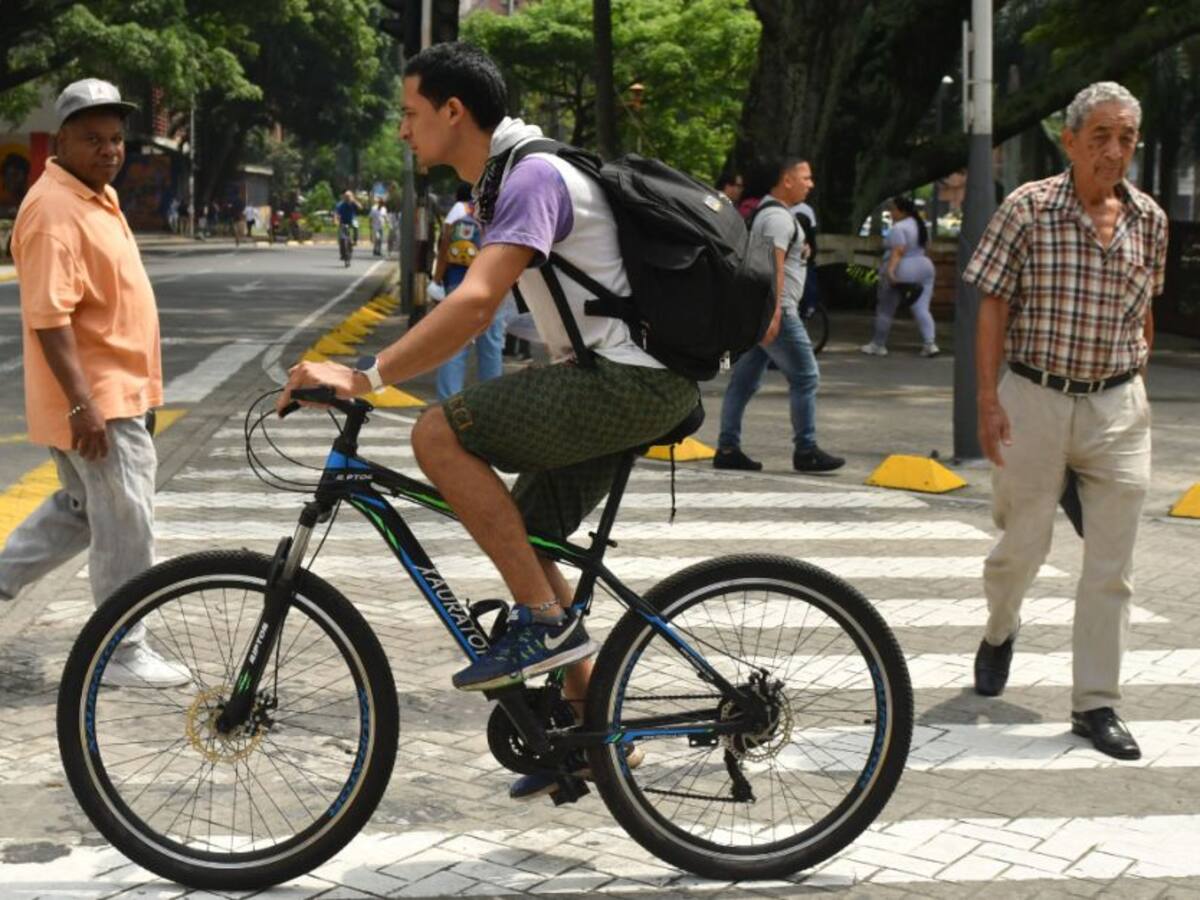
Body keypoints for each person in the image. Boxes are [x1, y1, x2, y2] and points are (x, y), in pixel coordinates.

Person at [280, 42, 699, 798]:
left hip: (629, 384)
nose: (403, 131)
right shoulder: (506, 180)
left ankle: (543, 623)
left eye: (411, 114)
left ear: (453, 111)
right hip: (617, 378)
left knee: (436, 433)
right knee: (529, 538)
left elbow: (475, 305)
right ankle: (592, 736)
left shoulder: (533, 174)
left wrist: (363, 374)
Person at [964, 82, 1166, 761]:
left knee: (1112, 566)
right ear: (1071, 140)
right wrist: (988, 400)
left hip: (1116, 406)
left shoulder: (1150, 220)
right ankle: (1000, 629)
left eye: (1127, 139)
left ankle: (1096, 704)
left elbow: (1145, 311)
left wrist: (1137, 383)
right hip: (1035, 397)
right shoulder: (1028, 209)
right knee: (1024, 545)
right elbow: (991, 304)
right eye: (1101, 137)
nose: (1114, 152)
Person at [0, 78, 187, 687]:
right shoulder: (54, 210)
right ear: (62, 141)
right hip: (96, 404)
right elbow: (49, 319)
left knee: (84, 513)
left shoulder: (91, 195)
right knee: (127, 519)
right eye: (93, 139)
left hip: (113, 395)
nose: (109, 150)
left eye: (115, 138)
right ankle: (123, 648)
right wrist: (84, 405)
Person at [713, 157, 845, 474]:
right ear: (787, 180)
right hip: (779, 311)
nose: (810, 183)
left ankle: (728, 447)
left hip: (763, 310)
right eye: (806, 177)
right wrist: (774, 315)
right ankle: (806, 449)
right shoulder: (777, 219)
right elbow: (772, 266)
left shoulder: (775, 215)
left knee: (743, 382)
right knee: (805, 376)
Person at [432, 183, 504, 400]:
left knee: (453, 346)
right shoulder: (499, 208)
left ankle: (448, 403)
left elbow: (445, 245)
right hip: (493, 283)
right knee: (491, 346)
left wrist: (436, 280)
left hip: (458, 283)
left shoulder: (459, 210)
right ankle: (491, 404)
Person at [861, 196, 939, 357]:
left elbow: (898, 251)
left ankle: (878, 344)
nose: (890, 213)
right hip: (925, 266)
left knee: (885, 309)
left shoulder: (898, 228)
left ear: (902, 211)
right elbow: (928, 247)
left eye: (893, 209)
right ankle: (930, 343)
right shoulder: (921, 226)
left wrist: (890, 271)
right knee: (921, 307)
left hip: (903, 267)